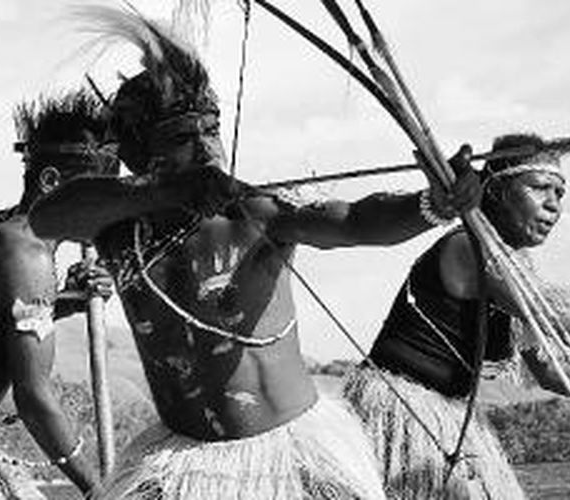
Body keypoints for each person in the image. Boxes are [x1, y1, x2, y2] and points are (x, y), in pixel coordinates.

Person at [29, 7, 483, 499]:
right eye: (183, 138)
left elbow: (353, 221)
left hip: (290, 454)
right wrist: (166, 190)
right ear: (140, 154)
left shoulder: (254, 213)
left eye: (211, 130)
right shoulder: (117, 230)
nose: (207, 150)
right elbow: (47, 217)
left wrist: (430, 206)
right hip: (180, 460)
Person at [341, 132, 570, 499]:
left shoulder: (515, 268)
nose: (553, 205)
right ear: (496, 191)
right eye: (540, 188)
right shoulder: (470, 247)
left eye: (560, 193)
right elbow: (557, 321)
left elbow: (547, 371)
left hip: (449, 414)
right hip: (403, 410)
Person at [0, 89, 118, 498]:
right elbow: (34, 399)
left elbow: (2, 321)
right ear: (51, 182)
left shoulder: (0, 230)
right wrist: (98, 490)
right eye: (96, 196)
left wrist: (65, 302)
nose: (107, 211)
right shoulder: (28, 252)